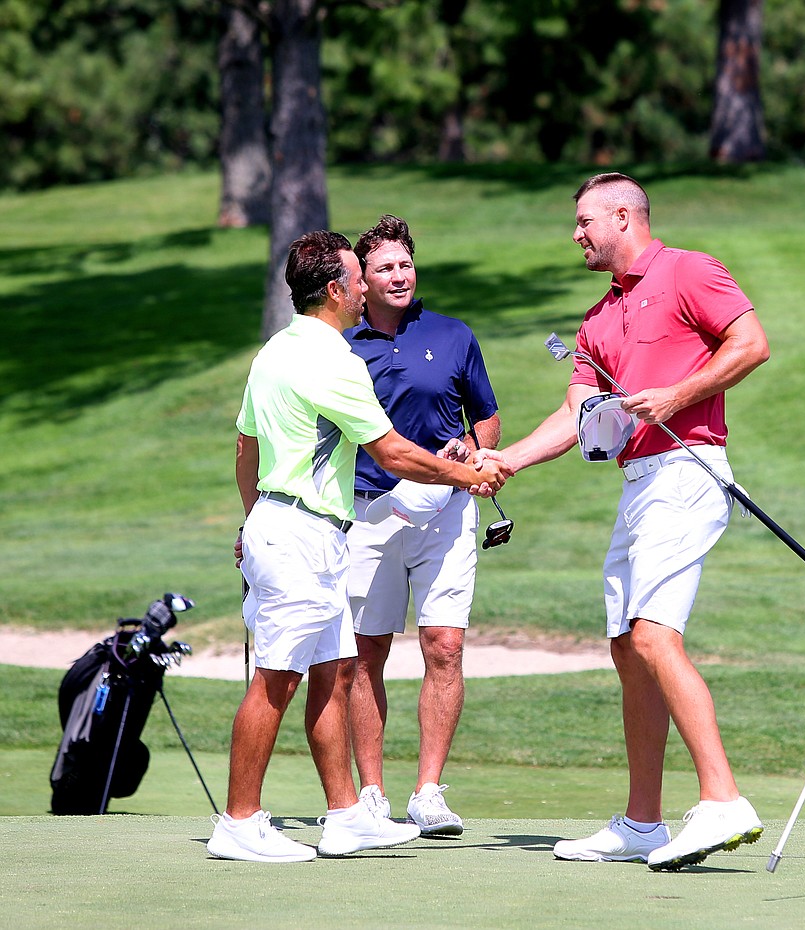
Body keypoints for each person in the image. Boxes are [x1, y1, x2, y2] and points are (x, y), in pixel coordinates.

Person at [488, 172, 770, 871]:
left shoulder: (688, 272)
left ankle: (723, 800)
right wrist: (506, 460)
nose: (577, 234)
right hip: (639, 483)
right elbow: (574, 415)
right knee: (626, 645)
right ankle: (643, 821)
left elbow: (750, 344)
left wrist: (678, 393)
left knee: (652, 635)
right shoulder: (595, 321)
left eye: (586, 221)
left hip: (689, 471)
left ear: (624, 215)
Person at [207, 230, 509, 863]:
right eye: (359, 277)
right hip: (301, 536)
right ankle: (238, 822)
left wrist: (257, 517)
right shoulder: (333, 359)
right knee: (275, 682)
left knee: (335, 671)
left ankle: (346, 816)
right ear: (340, 289)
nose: (370, 285)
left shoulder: (274, 351)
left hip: (300, 528)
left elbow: (246, 447)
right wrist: (470, 474)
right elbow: (390, 451)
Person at [344, 214, 500, 836]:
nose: (399, 275)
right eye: (384, 267)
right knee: (365, 655)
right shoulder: (344, 345)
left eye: (405, 264)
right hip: (370, 510)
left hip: (447, 512)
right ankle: (372, 793)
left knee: (445, 646)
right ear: (362, 279)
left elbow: (485, 417)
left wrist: (475, 449)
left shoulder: (453, 334)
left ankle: (428, 792)